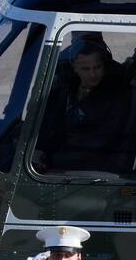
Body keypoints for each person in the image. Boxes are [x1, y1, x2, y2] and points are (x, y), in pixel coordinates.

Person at [33, 37, 130, 174]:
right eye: (85, 69)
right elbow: (49, 123)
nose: (93, 74)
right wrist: (39, 148)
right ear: (75, 67)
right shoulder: (65, 90)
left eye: (97, 67)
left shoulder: (113, 98)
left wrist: (49, 158)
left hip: (88, 166)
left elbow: (100, 143)